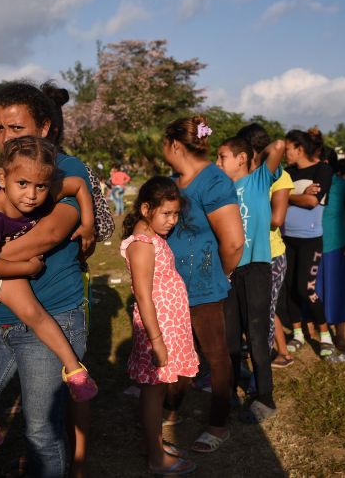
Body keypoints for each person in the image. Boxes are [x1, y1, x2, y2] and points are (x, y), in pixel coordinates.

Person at [0, 80, 96, 478]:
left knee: (42, 431)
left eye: (16, 128)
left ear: (44, 128)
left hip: (46, 314)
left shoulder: (61, 170)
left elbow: (50, 233)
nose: (5, 137)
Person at [160, 116, 244, 454]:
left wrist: (217, 276)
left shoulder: (214, 182)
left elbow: (234, 242)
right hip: (172, 287)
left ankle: (218, 424)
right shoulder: (173, 181)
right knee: (175, 354)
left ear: (175, 145)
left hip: (204, 286)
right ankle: (170, 410)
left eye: (164, 145)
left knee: (215, 354)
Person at [120, 176, 199, 476]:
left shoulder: (152, 238)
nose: (172, 220)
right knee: (153, 392)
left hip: (167, 325)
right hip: (158, 329)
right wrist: (156, 340)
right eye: (166, 214)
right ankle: (155, 457)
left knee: (158, 388)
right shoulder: (142, 244)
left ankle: (154, 445)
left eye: (176, 214)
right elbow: (142, 294)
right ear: (145, 209)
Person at [217, 134, 285, 423]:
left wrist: (254, 153)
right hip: (227, 272)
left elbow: (279, 145)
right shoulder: (221, 191)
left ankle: (265, 397)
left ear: (241, 159)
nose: (217, 162)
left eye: (222, 157)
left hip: (256, 268)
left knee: (257, 335)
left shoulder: (259, 180)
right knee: (230, 338)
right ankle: (230, 393)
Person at [302, 148, 345, 354]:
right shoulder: (305, 184)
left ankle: (340, 334)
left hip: (334, 246)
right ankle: (310, 329)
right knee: (311, 289)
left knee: (338, 290)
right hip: (308, 244)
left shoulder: (344, 186)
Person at [281, 128, 336, 357]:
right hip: (286, 238)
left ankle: (324, 334)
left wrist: (288, 195)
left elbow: (312, 201)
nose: (285, 154)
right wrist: (297, 194)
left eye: (288, 149)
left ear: (299, 148)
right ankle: (297, 334)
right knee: (290, 289)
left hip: (310, 239)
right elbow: (278, 197)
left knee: (306, 289)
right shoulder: (286, 172)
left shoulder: (323, 170)